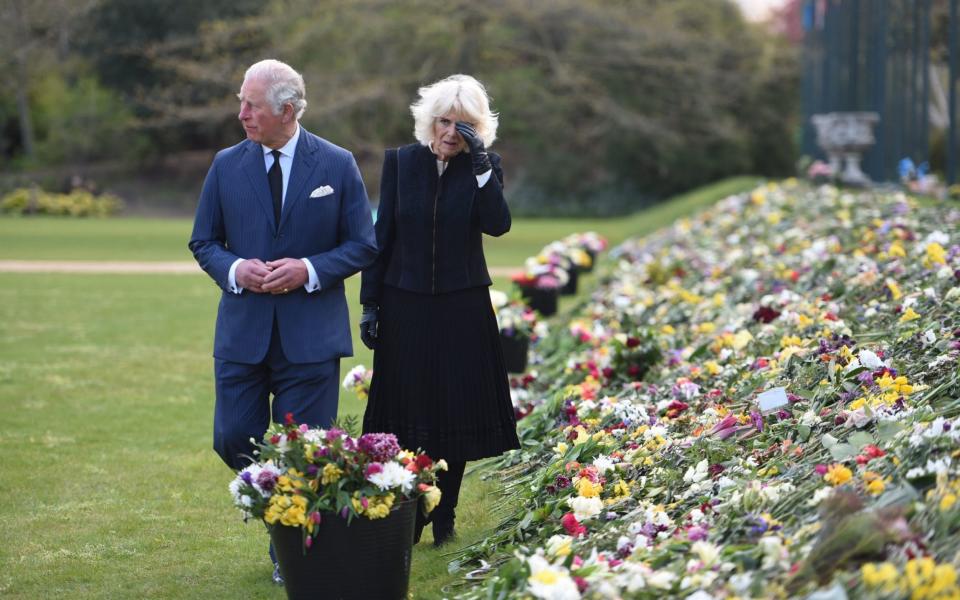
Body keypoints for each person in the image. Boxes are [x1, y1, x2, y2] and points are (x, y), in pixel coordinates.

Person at [189, 59, 377, 583]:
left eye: (251, 105)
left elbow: (363, 243)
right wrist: (235, 269)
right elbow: (203, 241)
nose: (242, 113)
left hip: (311, 338)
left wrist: (309, 269)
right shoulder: (226, 164)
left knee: (306, 452)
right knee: (232, 437)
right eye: (241, 102)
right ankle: (282, 511)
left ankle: (290, 551)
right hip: (242, 334)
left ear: (287, 110)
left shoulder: (337, 165)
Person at [359, 74, 521, 546]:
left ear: (478, 131)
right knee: (406, 411)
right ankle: (413, 510)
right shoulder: (400, 164)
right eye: (445, 122)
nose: (451, 132)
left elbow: (498, 224)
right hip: (404, 303)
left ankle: (445, 511)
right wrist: (371, 304)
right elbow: (381, 238)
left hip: (462, 307)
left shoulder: (484, 168)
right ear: (429, 122)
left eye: (464, 125)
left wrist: (481, 165)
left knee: (453, 412)